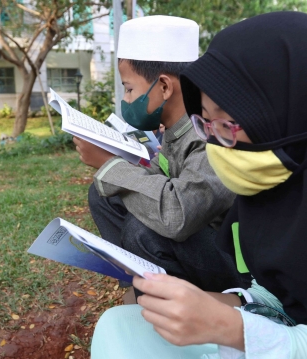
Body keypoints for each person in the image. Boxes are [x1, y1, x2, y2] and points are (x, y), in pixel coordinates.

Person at [90, 11, 307, 358]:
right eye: (205, 123)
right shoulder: (277, 176)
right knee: (120, 325)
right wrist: (221, 303)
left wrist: (225, 325)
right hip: (277, 330)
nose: (215, 144)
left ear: (282, 112)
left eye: (227, 124)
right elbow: (278, 290)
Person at [73, 15, 244, 293]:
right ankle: (136, 278)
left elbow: (180, 214)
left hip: (233, 261)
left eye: (129, 89)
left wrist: (110, 164)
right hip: (201, 238)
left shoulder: (209, 132)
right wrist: (117, 160)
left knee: (144, 234)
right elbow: (161, 174)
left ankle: (172, 300)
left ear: (164, 86)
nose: (126, 100)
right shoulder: (175, 129)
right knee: (104, 196)